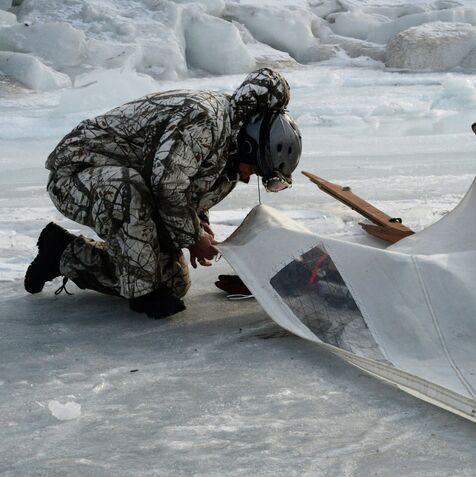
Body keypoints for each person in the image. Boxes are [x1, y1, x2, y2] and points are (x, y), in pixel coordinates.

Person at [24, 68, 302, 319]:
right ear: (250, 146)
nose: (247, 176)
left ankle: (62, 253)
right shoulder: (204, 118)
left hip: (139, 191)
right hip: (78, 175)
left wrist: (200, 223)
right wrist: (193, 237)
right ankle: (142, 295)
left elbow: (190, 189)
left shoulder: (230, 156)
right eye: (254, 168)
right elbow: (167, 185)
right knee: (126, 188)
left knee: (173, 283)